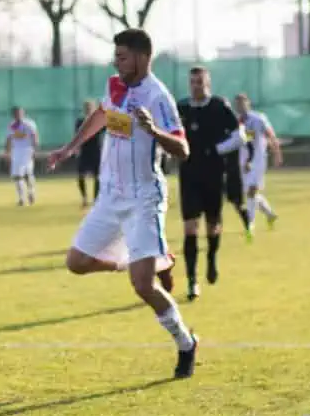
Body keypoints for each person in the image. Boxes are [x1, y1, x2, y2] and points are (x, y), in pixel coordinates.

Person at [46, 29, 199, 379]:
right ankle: (134, 260)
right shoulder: (116, 85)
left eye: (123, 57)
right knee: (76, 262)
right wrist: (69, 148)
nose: (118, 62)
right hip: (109, 196)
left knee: (144, 287)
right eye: (116, 56)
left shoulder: (158, 97)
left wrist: (153, 130)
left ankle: (186, 343)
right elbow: (102, 115)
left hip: (143, 198)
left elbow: (182, 149)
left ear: (144, 57)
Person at [175, 66, 245, 300]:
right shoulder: (181, 108)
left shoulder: (219, 106)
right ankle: (192, 281)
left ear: (208, 83)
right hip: (189, 175)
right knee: (190, 227)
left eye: (201, 82)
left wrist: (217, 150)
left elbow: (239, 135)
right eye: (193, 82)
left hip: (214, 174)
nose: (197, 86)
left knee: (213, 225)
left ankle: (212, 259)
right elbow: (170, 134)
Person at [233, 92, 283, 238]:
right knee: (251, 194)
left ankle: (250, 225)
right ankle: (270, 215)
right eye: (237, 104)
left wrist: (277, 154)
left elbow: (271, 135)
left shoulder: (258, 118)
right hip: (244, 161)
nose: (240, 106)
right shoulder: (237, 121)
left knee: (251, 192)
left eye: (242, 103)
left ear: (248, 103)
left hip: (258, 160)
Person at [6, 106, 39, 206]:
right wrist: (7, 152)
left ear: (23, 113)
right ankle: (21, 198)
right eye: (16, 113)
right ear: (13, 115)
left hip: (27, 150)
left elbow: (35, 136)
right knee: (17, 176)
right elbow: (8, 138)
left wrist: (35, 149)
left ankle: (31, 192)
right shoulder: (11, 125)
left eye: (20, 113)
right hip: (16, 151)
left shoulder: (29, 124)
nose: (18, 115)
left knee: (28, 174)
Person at [75, 99, 103, 207]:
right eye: (86, 107)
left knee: (97, 176)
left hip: (96, 150)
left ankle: (96, 199)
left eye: (90, 107)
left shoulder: (99, 121)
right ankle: (84, 198)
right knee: (81, 175)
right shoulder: (80, 122)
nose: (88, 109)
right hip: (84, 150)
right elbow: (77, 135)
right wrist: (75, 148)